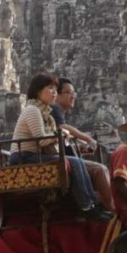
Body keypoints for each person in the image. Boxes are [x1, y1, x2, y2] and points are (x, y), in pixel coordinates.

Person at [10, 72, 112, 222]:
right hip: (24, 157)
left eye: (55, 89)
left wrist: (61, 136)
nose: (54, 93)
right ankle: (86, 206)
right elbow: (42, 141)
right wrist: (61, 134)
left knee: (76, 161)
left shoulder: (44, 113)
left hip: (33, 156)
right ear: (38, 91)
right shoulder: (33, 110)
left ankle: (92, 204)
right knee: (75, 162)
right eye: (50, 88)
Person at [53, 77, 113, 210]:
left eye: (74, 93)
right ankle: (111, 208)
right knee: (100, 170)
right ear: (56, 95)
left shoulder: (57, 111)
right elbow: (63, 127)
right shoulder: (54, 108)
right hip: (57, 159)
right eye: (69, 92)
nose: (73, 96)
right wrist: (87, 139)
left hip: (63, 157)